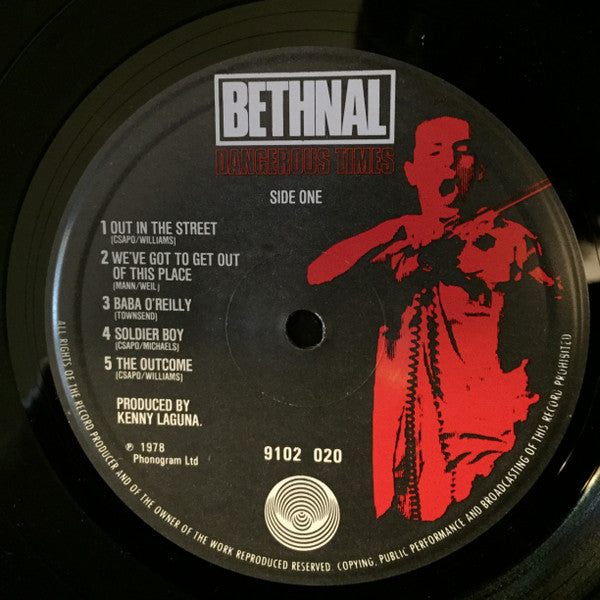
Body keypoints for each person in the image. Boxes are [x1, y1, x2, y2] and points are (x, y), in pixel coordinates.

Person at [307, 116, 561, 521]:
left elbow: (565, 304)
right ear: (412, 172)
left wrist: (476, 261)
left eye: (460, 154)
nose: (448, 165)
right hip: (406, 441)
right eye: (435, 153)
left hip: (479, 438)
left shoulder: (509, 238)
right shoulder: (399, 241)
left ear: (478, 169)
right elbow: (318, 273)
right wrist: (396, 230)